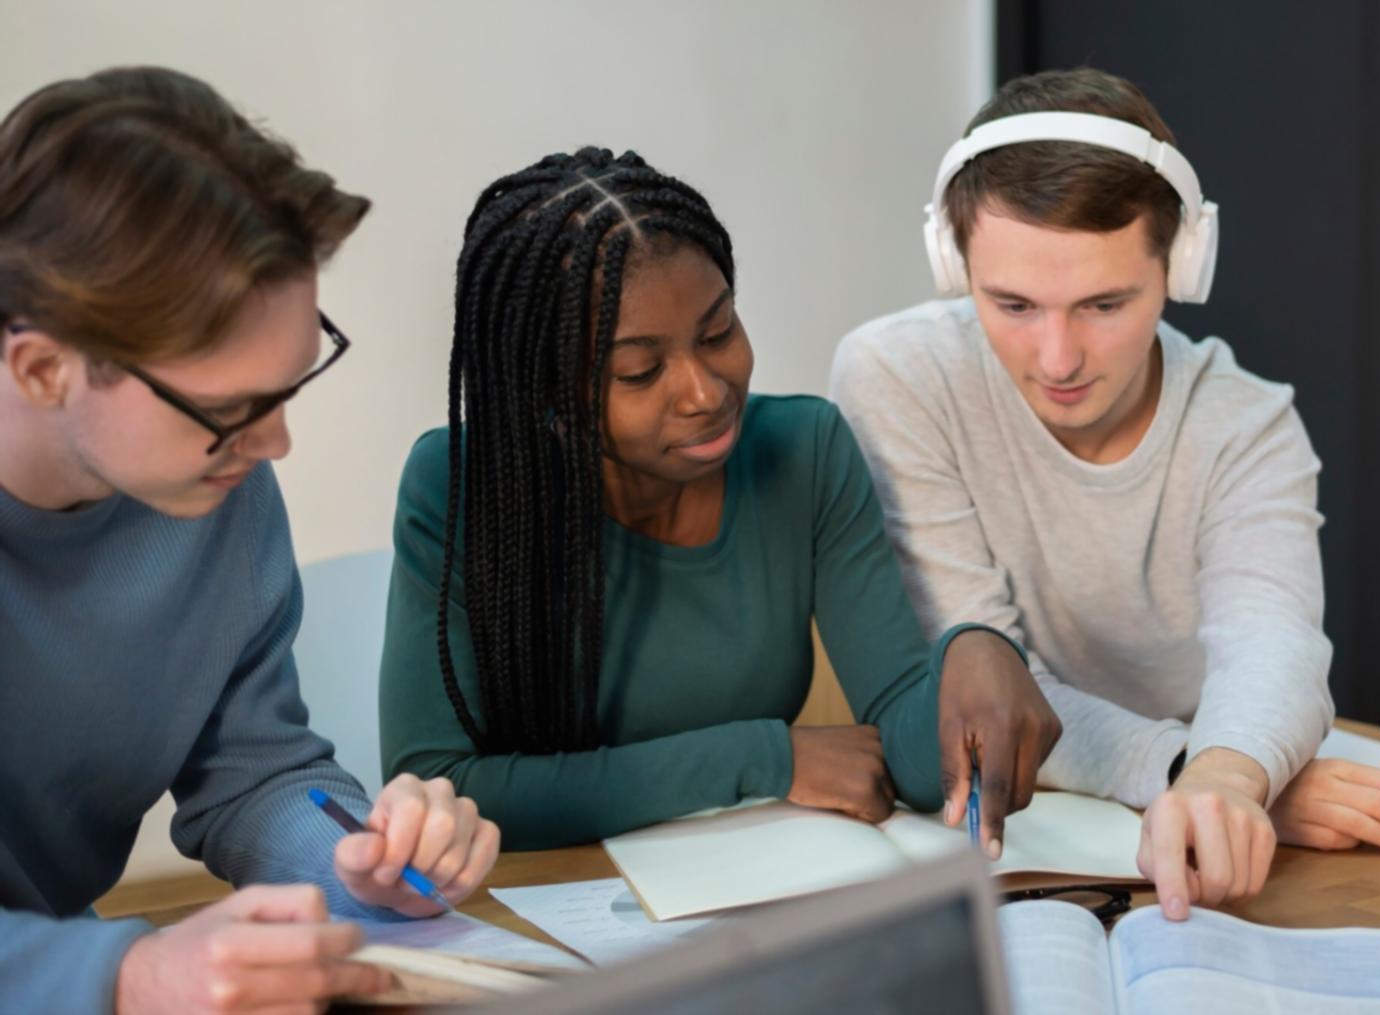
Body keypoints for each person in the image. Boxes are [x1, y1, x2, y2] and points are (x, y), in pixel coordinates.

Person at [830, 67, 1380, 921]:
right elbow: (990, 692)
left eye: (1104, 304)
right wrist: (1205, 771)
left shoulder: (1247, 423)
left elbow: (1270, 644)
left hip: (1203, 819)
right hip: (1068, 828)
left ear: (1181, 266)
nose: (1057, 358)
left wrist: (1229, 774)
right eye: (1011, 304)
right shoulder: (897, 376)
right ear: (952, 264)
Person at [378, 147, 1060, 854]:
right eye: (640, 372)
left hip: (751, 889)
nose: (706, 392)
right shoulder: (457, 485)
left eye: (718, 332)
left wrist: (973, 653)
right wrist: (763, 758)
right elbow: (441, 785)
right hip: (552, 896)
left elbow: (905, 758)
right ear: (546, 391)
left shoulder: (807, 451)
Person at [0, 67, 500, 1013]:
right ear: (41, 368)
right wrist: (125, 975)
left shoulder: (208, 489)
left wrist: (360, 860)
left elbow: (253, 773)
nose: (274, 445)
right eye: (231, 408)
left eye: (287, 388)